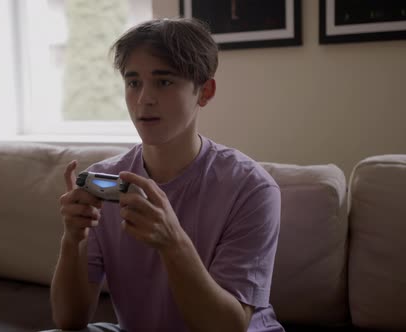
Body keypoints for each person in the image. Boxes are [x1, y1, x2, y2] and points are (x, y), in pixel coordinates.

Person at [50, 17, 284, 332]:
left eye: (164, 82)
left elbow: (229, 327)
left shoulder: (251, 189)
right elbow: (70, 320)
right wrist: (73, 239)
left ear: (205, 91)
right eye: (133, 82)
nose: (144, 98)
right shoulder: (104, 180)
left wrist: (173, 243)